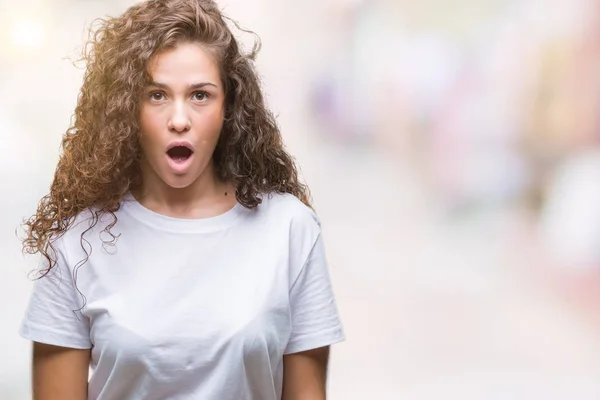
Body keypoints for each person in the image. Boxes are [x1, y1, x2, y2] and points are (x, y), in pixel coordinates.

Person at [18, 0, 345, 399]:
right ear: (126, 108)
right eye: (156, 94)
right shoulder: (76, 241)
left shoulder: (290, 230)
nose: (179, 118)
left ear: (230, 107)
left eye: (200, 95)